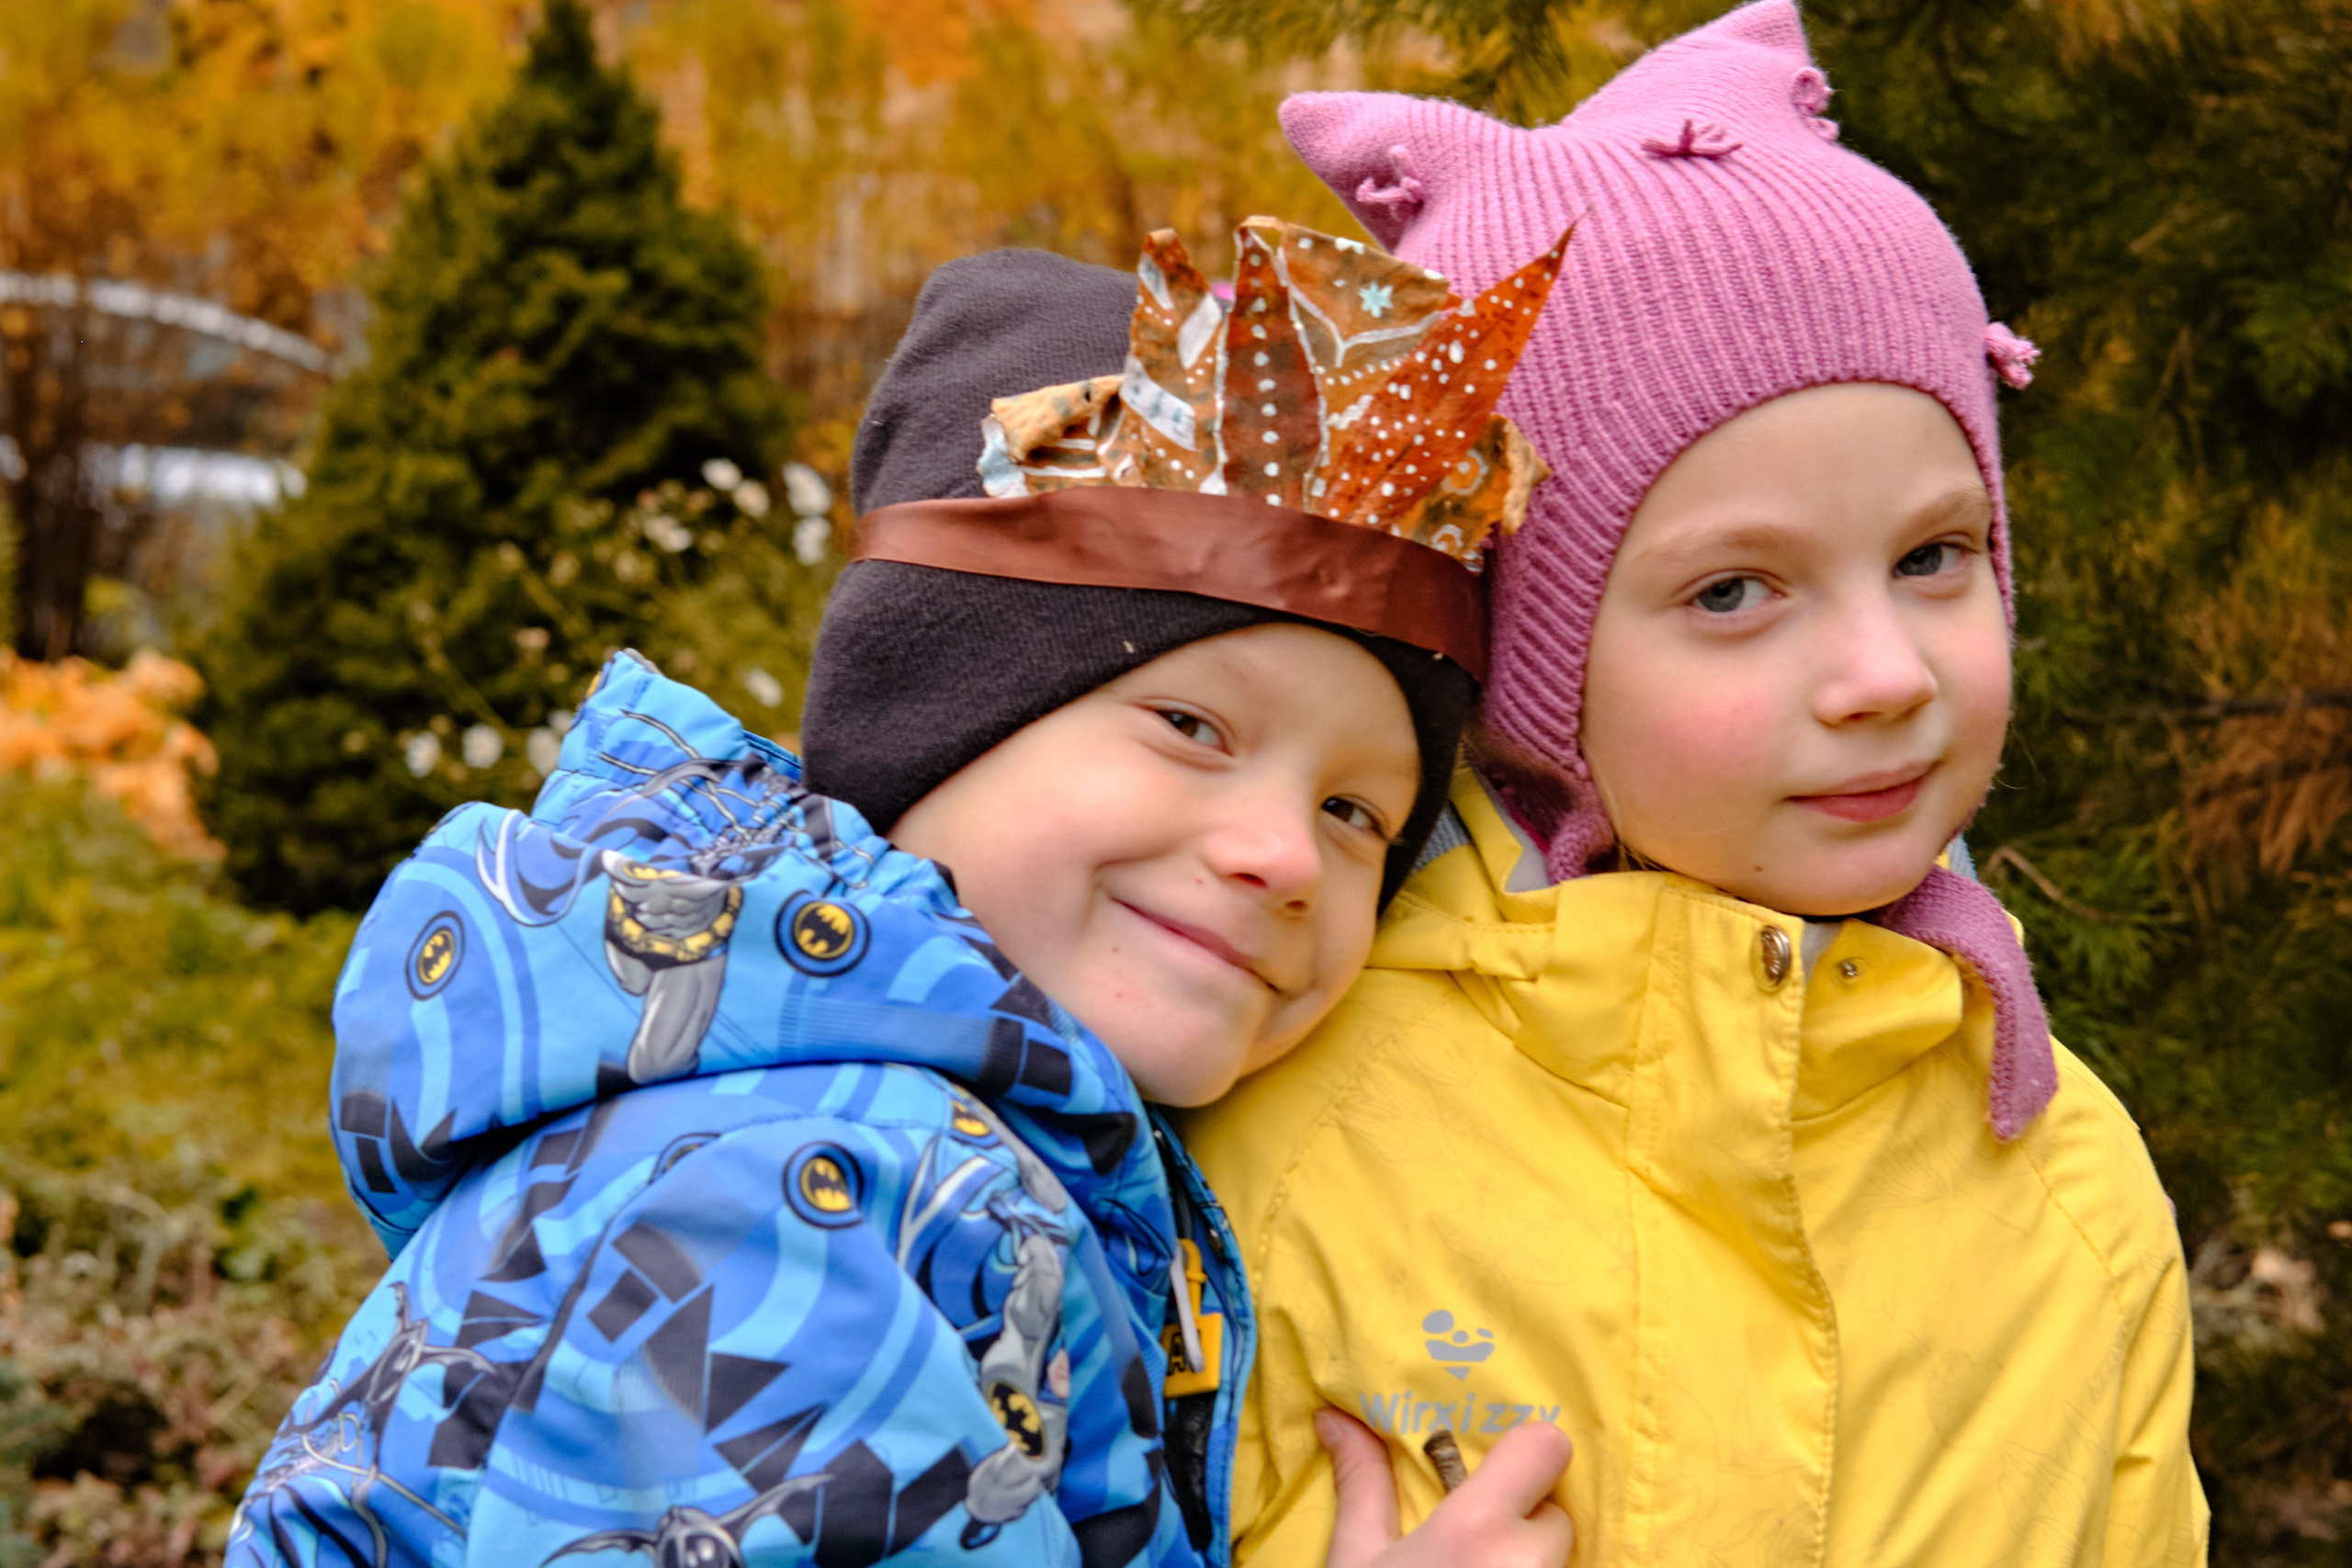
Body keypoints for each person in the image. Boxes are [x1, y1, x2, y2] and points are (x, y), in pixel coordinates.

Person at [227, 221, 1578, 1568]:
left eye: (1356, 814)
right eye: (1190, 726)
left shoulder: (929, 1140)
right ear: (934, 726)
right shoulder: (792, 1196)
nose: (1284, 854)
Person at [1180, 6, 2211, 1565]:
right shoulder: (1292, 1140)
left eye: (1934, 557)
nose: (1886, 673)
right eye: (1734, 592)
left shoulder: (2068, 1177)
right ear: (1529, 653)